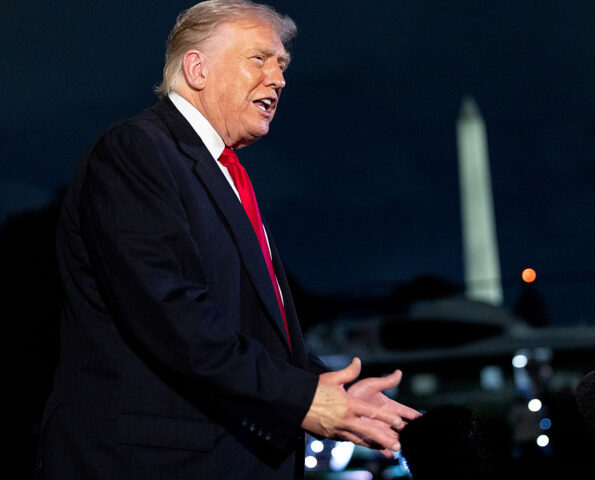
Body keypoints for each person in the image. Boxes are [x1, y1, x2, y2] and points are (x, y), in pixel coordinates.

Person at [36, 1, 420, 479]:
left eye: (281, 65)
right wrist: (301, 399)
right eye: (259, 58)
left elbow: (241, 326)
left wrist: (324, 387)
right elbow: (172, 315)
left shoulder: (224, 175)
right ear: (197, 68)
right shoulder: (136, 151)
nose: (278, 79)